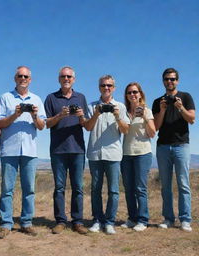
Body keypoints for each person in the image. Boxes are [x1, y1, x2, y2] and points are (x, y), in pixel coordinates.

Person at [0, 66, 46, 239]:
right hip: (9, 149)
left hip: (30, 151)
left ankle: (26, 222)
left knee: (29, 189)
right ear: (15, 78)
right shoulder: (5, 98)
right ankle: (6, 223)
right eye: (20, 75)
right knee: (7, 189)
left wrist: (34, 115)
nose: (23, 78)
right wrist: (15, 114)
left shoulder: (37, 99)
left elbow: (41, 126)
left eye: (26, 76)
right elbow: (0, 124)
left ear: (30, 79)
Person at [44, 66, 88, 235]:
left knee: (78, 187)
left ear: (74, 79)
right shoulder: (51, 98)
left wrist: (81, 116)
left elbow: (85, 124)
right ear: (59, 79)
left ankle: (77, 221)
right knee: (59, 187)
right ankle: (61, 221)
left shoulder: (81, 97)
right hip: (58, 149)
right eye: (63, 76)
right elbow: (47, 123)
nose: (66, 78)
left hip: (77, 149)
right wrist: (60, 116)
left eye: (69, 76)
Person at [84, 75, 130, 234]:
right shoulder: (91, 106)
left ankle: (109, 221)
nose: (106, 88)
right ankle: (97, 220)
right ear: (99, 87)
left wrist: (117, 116)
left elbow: (125, 130)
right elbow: (88, 128)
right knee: (95, 189)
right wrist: (96, 114)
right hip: (95, 153)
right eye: (103, 85)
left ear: (114, 88)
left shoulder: (121, 107)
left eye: (109, 85)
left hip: (113, 154)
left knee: (114, 190)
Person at [152, 68, 195, 232]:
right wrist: (162, 110)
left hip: (181, 145)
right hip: (163, 146)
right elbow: (156, 126)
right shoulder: (158, 101)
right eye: (167, 79)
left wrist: (180, 107)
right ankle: (168, 218)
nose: (170, 82)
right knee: (166, 185)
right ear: (163, 81)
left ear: (177, 80)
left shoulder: (185, 97)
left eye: (172, 79)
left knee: (183, 184)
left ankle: (185, 219)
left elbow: (191, 119)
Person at [120, 82, 155, 232]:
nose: (132, 95)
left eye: (135, 92)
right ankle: (132, 218)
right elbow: (123, 131)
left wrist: (145, 118)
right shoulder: (124, 112)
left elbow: (152, 133)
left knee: (140, 188)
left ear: (140, 94)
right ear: (126, 96)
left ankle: (143, 220)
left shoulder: (147, 111)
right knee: (129, 188)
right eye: (129, 93)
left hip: (142, 153)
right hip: (126, 154)